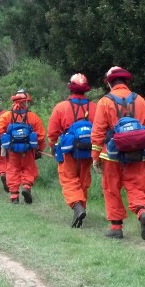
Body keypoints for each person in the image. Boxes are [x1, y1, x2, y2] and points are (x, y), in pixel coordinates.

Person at [90, 66, 145, 239]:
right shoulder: (140, 100)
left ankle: (116, 227)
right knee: (136, 186)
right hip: (137, 154)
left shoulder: (105, 101)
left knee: (111, 188)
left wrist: (95, 157)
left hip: (111, 155)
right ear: (126, 81)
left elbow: (97, 132)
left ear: (110, 83)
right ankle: (141, 211)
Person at [48, 73, 94, 228]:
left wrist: (53, 146)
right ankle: (81, 207)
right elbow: (101, 129)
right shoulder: (94, 107)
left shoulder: (61, 107)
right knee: (83, 180)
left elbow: (53, 132)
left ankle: (77, 206)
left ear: (71, 88)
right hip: (88, 151)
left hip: (68, 151)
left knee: (68, 179)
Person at [0, 91, 46, 204]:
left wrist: (5, 138)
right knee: (28, 168)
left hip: (12, 151)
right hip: (28, 151)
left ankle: (14, 195)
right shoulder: (33, 116)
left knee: (13, 170)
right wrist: (39, 149)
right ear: (26, 102)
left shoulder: (7, 116)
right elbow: (41, 136)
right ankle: (26, 187)